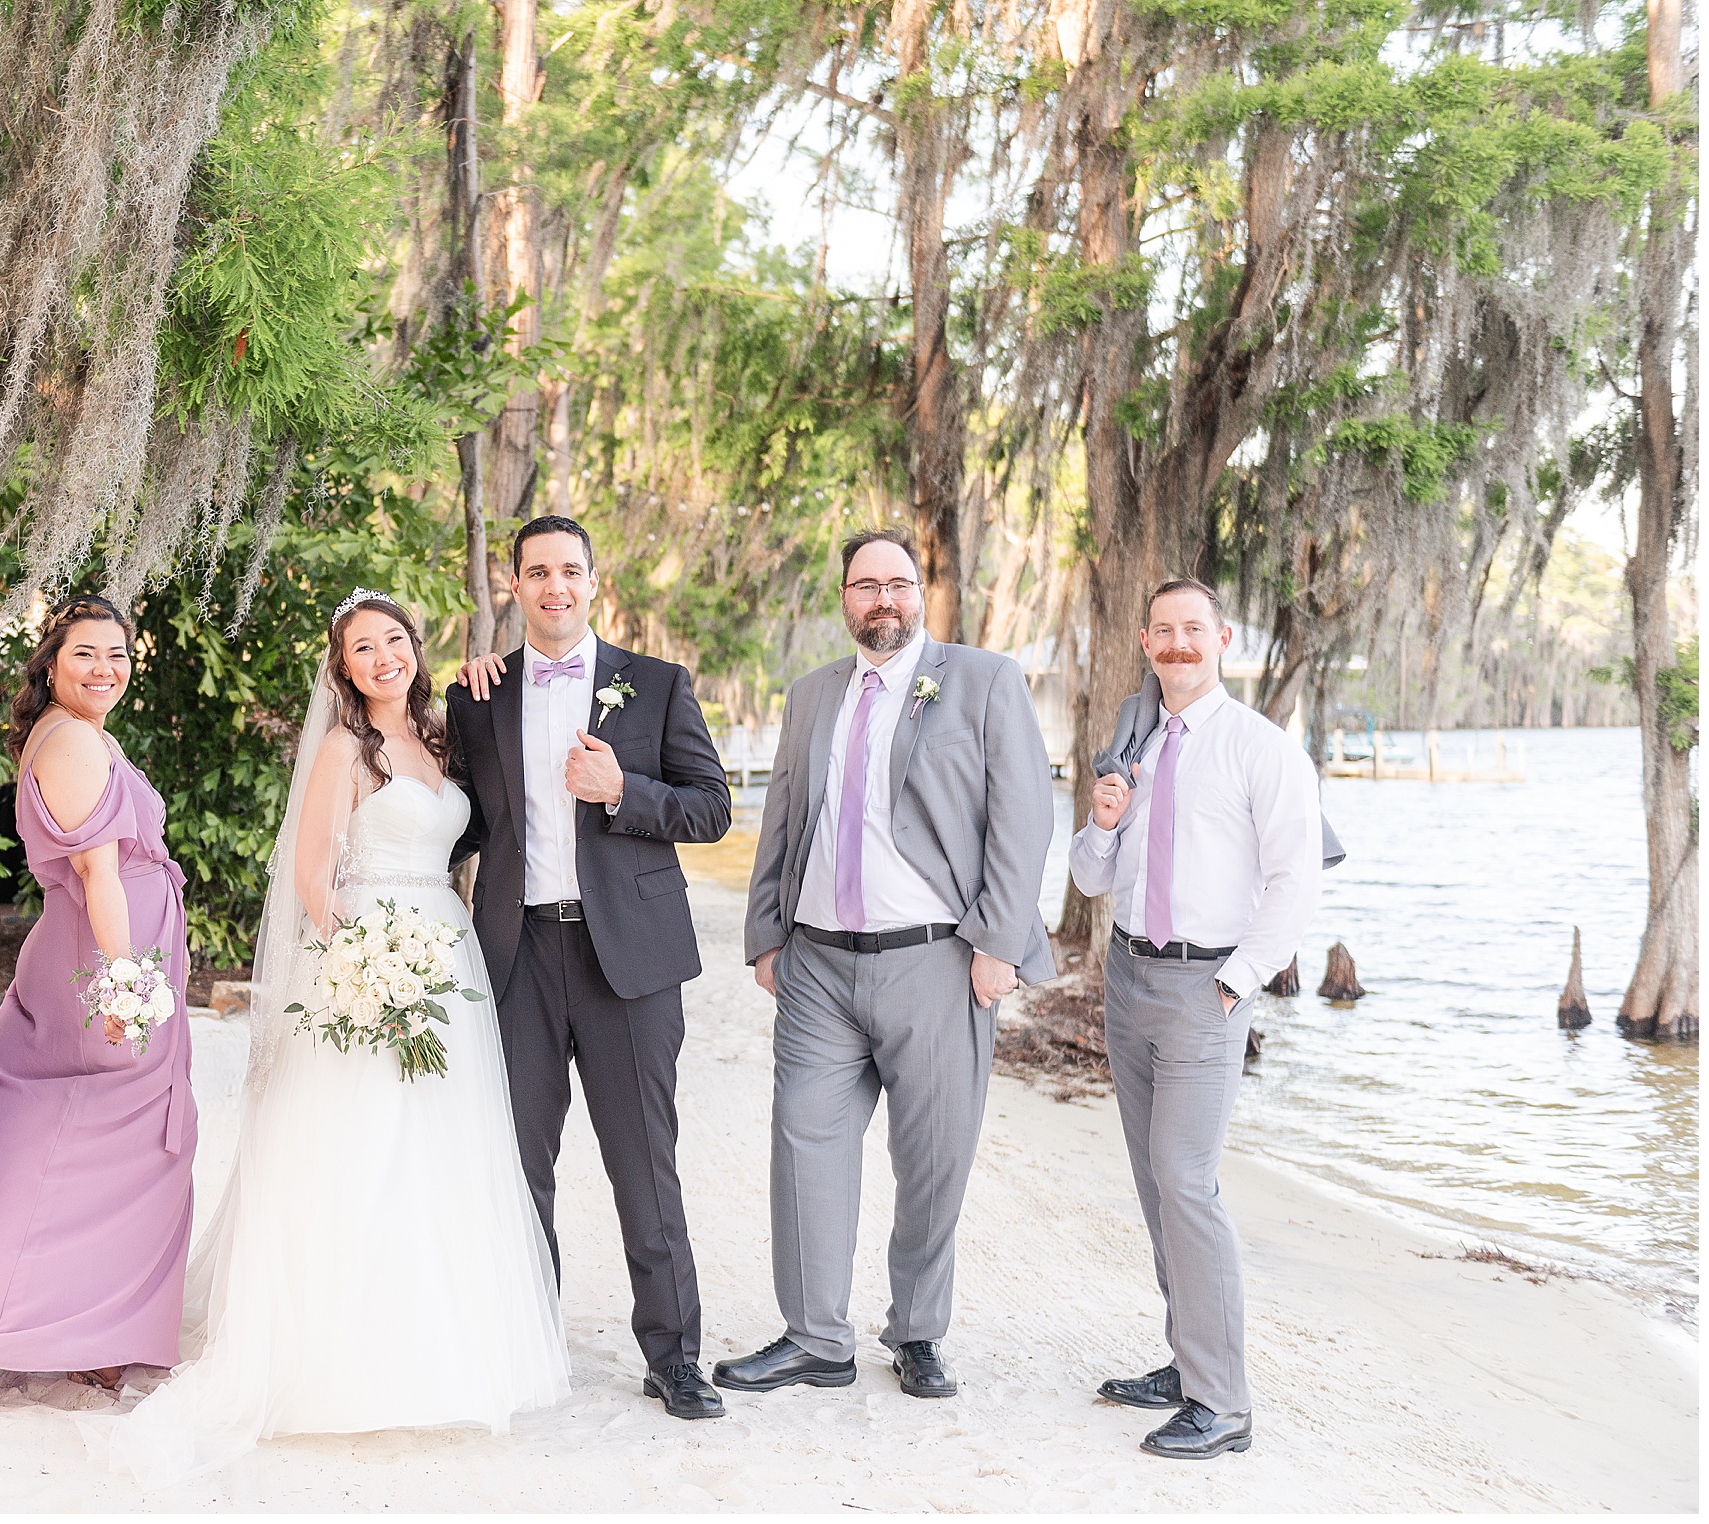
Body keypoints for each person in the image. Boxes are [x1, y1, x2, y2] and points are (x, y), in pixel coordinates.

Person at [111, 591, 567, 1481]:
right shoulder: (341, 748)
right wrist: (360, 971)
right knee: (360, 1152)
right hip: (370, 964)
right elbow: (312, 875)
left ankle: (441, 1353)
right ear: (345, 668)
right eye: (363, 647)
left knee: (442, 1155)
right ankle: (340, 1363)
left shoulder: (441, 737)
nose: (383, 656)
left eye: (393, 639)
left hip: (448, 957)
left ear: (414, 646)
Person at [717, 529, 1053, 1401]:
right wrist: (766, 934)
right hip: (819, 964)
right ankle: (815, 1337)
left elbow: (1024, 821)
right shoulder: (813, 694)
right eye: (865, 586)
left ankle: (917, 1330)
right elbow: (784, 815)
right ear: (844, 599)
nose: (883, 601)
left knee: (934, 1157)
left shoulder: (983, 681)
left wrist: (998, 944)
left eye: (898, 583)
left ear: (922, 592)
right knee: (804, 1142)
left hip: (938, 962)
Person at [450, 516, 734, 1420]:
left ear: (593, 580)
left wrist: (625, 792)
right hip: (519, 953)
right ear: (515, 584)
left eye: (569, 570)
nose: (555, 587)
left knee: (643, 1159)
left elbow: (712, 808)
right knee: (519, 1162)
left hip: (631, 960)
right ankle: (531, 1340)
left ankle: (675, 1355)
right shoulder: (478, 697)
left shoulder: (654, 685)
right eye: (538, 572)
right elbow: (466, 821)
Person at [0, 594, 196, 1391]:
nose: (105, 669)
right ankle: (55, 1324)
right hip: (102, 958)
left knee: (59, 1129)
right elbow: (98, 872)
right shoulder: (69, 740)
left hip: (107, 950)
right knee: (113, 1133)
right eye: (86, 655)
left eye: (118, 655)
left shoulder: (79, 733)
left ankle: (80, 1318)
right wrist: (126, 978)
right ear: (51, 663)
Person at [1069, 577, 1323, 1460]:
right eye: (1163, 632)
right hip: (1128, 977)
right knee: (1155, 1185)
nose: (1178, 644)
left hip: (1204, 988)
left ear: (1221, 640)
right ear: (1146, 643)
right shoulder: (1135, 747)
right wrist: (1102, 823)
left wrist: (1237, 982)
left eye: (1194, 630)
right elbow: (1093, 879)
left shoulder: (1262, 750)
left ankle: (1224, 1402)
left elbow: (1295, 881)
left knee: (1188, 1183)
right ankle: (1187, 1364)